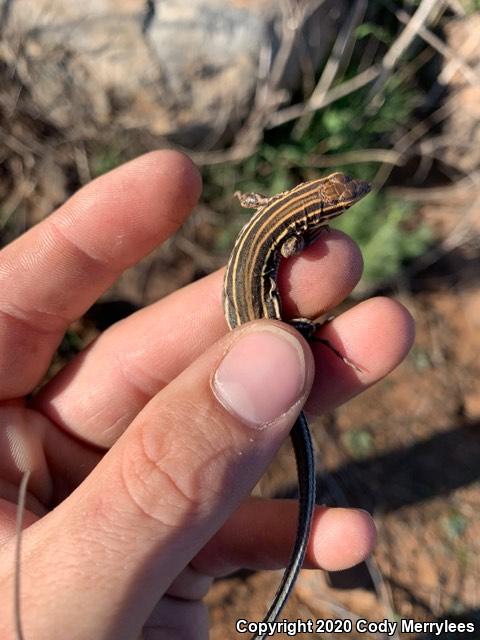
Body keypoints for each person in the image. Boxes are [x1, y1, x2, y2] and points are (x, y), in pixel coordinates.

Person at [0, 151, 414, 639]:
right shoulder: (291, 227)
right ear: (321, 208)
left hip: (250, 303)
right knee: (288, 341)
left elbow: (276, 231)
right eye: (345, 196)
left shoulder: (282, 211)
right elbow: (284, 250)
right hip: (254, 315)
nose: (355, 190)